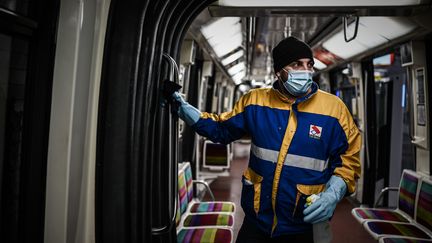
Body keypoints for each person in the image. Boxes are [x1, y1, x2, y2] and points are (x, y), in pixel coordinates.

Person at [166, 36, 361, 242]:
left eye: (309, 65)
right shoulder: (255, 101)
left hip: (303, 222)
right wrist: (182, 108)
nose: (305, 71)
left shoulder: (334, 109)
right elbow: (221, 129)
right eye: (296, 64)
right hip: (257, 220)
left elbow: (349, 156)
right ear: (279, 71)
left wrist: (333, 194)